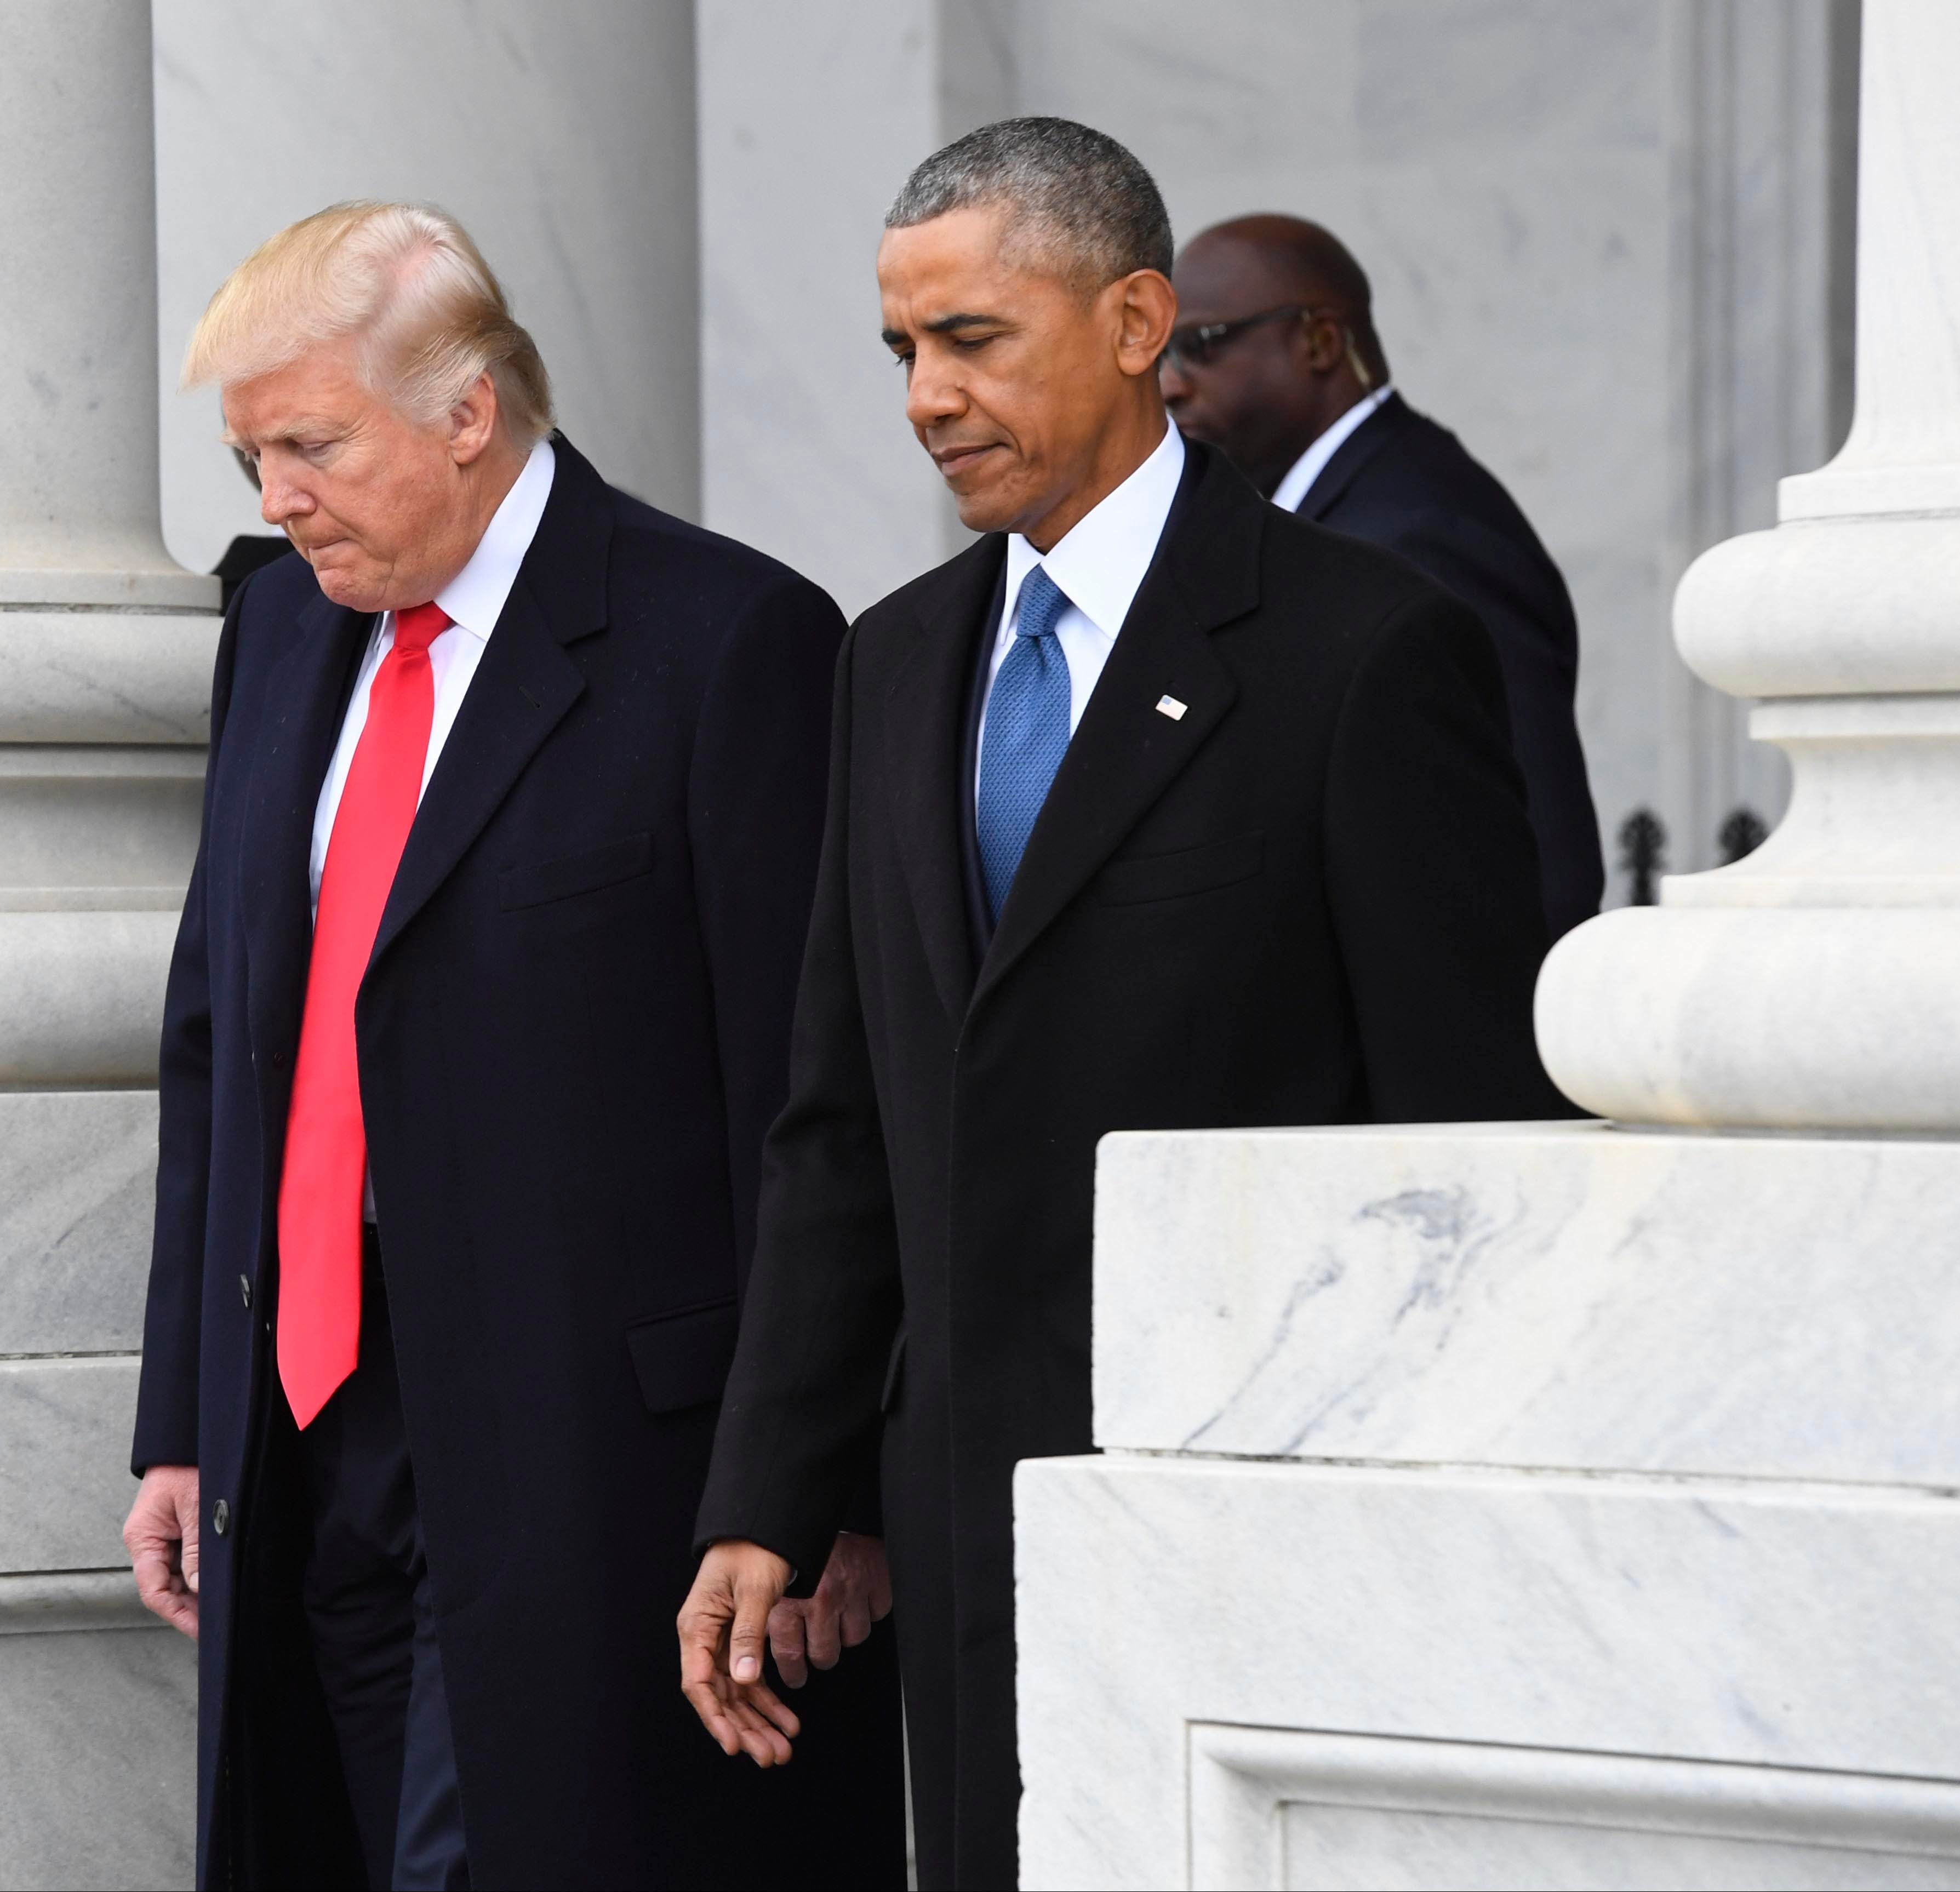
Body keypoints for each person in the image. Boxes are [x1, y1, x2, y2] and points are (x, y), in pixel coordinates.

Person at [678, 120, 1573, 1890]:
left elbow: (1471, 1146)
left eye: (974, 339)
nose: (926, 395)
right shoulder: (896, 658)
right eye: (901, 351)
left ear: (1137, 318)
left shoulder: (1367, 652)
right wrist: (768, 1495)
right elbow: (843, 1118)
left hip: (1254, 1518)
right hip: (962, 1527)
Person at [122, 201, 904, 1890]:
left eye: (311, 445)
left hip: (599, 1456)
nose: (273, 499)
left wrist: (819, 1481)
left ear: (467, 412)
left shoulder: (729, 637)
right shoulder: (276, 630)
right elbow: (220, 1041)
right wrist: (185, 1413)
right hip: (306, 1412)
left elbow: (813, 1102)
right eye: (254, 453)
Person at [1161, 213, 1604, 938]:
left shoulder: (1425, 537)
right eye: (1159, 356)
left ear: (1320, 342)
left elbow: (1537, 859)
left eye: (1200, 346)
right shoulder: (1336, 516)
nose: (1171, 386)